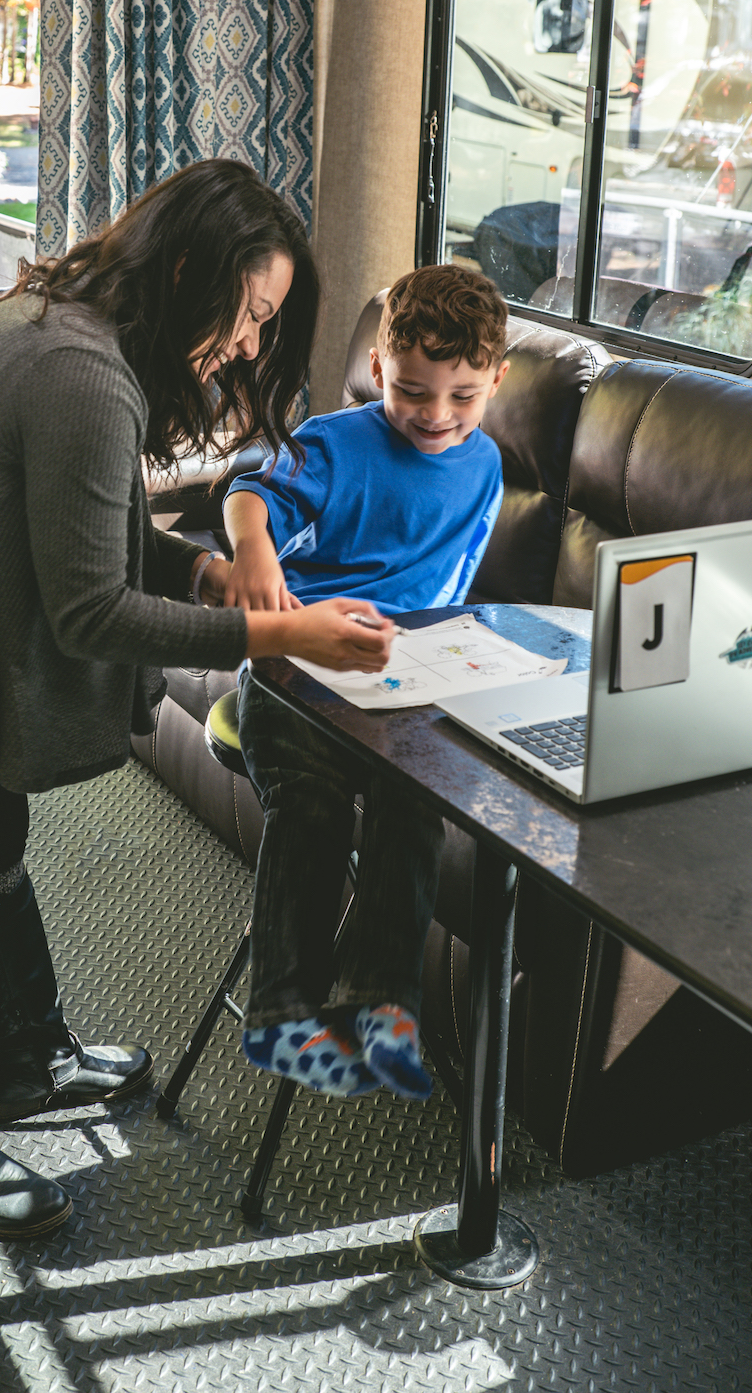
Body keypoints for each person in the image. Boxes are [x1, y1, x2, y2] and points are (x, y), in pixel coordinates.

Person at [0, 160, 392, 1242]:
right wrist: (278, 628)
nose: (248, 345)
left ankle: (29, 1064)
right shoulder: (83, 374)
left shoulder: (68, 325)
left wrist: (199, 570)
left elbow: (79, 521)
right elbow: (91, 610)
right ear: (190, 268)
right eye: (251, 313)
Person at [222, 265, 509, 1100]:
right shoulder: (337, 442)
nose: (435, 415)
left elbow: (446, 588)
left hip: (400, 681)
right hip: (297, 666)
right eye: (414, 391)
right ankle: (279, 1015)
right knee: (309, 804)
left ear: (495, 380)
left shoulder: (483, 463)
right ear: (379, 369)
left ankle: (379, 1001)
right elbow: (249, 490)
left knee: (413, 801)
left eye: (462, 396)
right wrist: (255, 552)